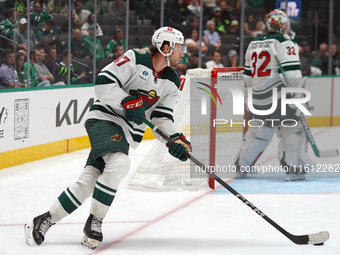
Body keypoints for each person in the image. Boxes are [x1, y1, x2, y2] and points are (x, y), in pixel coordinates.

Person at [24, 26, 190, 249]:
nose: (183, 52)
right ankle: (95, 221)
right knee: (120, 163)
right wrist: (126, 101)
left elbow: (162, 118)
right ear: (166, 47)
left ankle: (43, 220)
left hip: (126, 132)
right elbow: (103, 83)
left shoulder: (171, 80)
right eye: (180, 47)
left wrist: (175, 140)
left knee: (89, 180)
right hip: (104, 118)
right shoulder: (135, 57)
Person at [235, 9, 314, 181]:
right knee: (293, 129)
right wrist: (298, 97)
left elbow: (247, 77)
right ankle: (293, 169)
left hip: (257, 96)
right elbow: (293, 75)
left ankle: (240, 166)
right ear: (279, 24)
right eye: (285, 23)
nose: (287, 26)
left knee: (258, 133)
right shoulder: (285, 41)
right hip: (279, 95)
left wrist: (253, 95)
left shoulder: (253, 43)